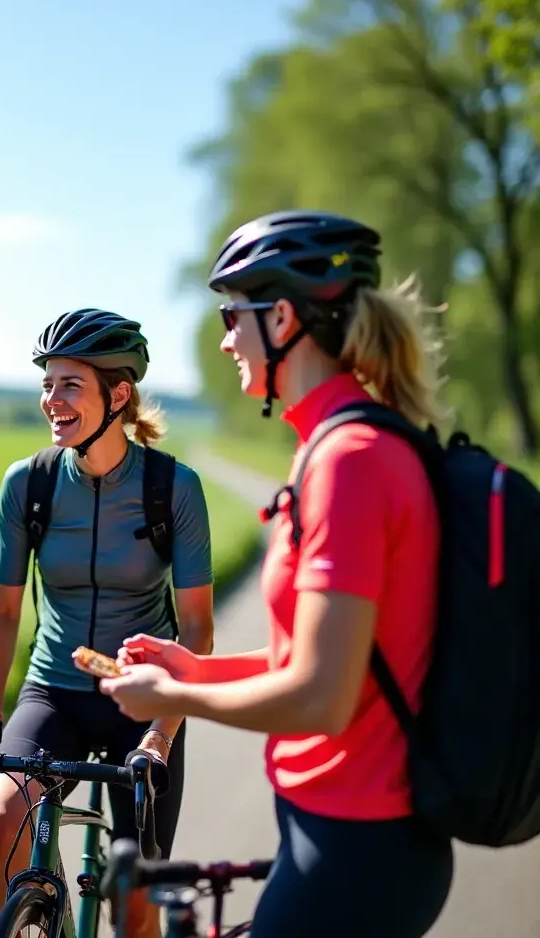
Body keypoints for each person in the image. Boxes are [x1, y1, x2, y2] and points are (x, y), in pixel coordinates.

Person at [99, 211, 455, 938]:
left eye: (235, 315)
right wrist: (194, 671)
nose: (227, 338)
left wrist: (172, 698)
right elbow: (320, 663)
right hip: (343, 834)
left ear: (283, 317)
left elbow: (320, 699)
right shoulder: (336, 444)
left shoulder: (347, 460)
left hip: (360, 841)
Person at [0, 308, 216, 938]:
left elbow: (198, 629)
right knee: (0, 816)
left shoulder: (172, 488)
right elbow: (4, 609)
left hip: (144, 699)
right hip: (56, 694)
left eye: (70, 384)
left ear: (118, 394)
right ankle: (38, 924)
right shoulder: (30, 484)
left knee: (136, 906)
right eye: (47, 384)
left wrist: (161, 733)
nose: (52, 400)